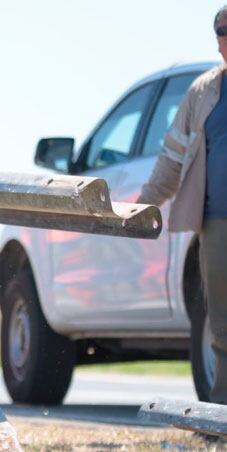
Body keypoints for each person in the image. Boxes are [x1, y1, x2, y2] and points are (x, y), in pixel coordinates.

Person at [139, 5, 227, 403]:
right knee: (221, 321)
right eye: (220, 30)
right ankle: (220, 412)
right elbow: (172, 158)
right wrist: (144, 205)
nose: (225, 36)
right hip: (216, 222)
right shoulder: (203, 91)